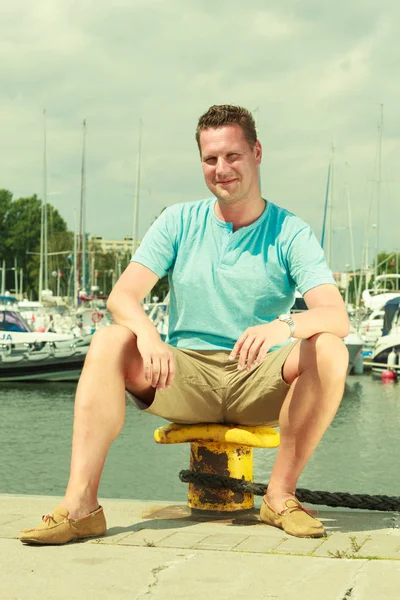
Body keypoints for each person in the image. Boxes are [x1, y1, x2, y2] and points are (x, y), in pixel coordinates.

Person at [20, 104, 349, 545]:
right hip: (183, 376)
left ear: (256, 152)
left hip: (260, 375)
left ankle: (279, 496)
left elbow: (336, 316)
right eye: (210, 159)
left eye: (232, 155)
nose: (222, 169)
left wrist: (283, 326)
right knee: (110, 340)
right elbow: (123, 296)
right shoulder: (178, 220)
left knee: (330, 347)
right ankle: (81, 507)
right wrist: (149, 334)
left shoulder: (290, 231)